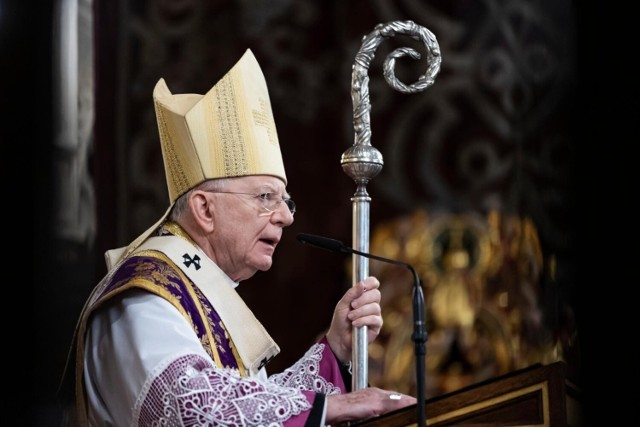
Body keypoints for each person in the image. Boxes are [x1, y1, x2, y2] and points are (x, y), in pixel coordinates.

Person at [60, 48, 416, 426]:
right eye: (265, 197)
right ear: (204, 209)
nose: (284, 216)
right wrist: (329, 408)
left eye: (285, 201)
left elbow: (254, 404)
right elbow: (192, 407)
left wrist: (337, 350)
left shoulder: (202, 290)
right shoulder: (145, 296)